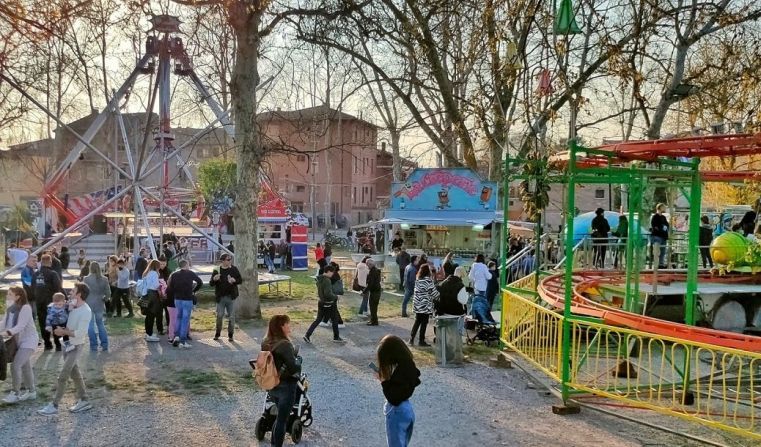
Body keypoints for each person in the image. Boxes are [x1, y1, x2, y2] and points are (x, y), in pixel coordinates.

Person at [38, 282, 94, 416]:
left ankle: (54, 405)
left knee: (63, 376)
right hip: (66, 344)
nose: (70, 293)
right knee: (75, 374)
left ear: (79, 294)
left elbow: (80, 333)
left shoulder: (86, 311)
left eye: (73, 291)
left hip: (76, 346)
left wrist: (63, 332)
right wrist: (57, 329)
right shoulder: (71, 306)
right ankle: (85, 400)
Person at [261, 315, 303, 447]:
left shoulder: (265, 342)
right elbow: (293, 367)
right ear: (281, 326)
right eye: (287, 324)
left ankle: (274, 443)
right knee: (281, 420)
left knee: (279, 417)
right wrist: (299, 361)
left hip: (272, 384)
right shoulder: (285, 344)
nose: (289, 326)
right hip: (286, 386)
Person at [376, 334, 420, 447]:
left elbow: (393, 398)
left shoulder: (400, 371)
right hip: (407, 410)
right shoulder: (409, 365)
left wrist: (384, 381)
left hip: (396, 411)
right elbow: (403, 386)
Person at [1, 286, 39, 404]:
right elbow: (3, 323)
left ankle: (15, 393)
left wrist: (7, 332)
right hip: (18, 342)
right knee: (25, 366)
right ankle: (31, 392)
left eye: (10, 294)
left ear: (18, 296)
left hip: (28, 341)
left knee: (15, 366)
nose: (7, 296)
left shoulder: (26, 308)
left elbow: (20, 326)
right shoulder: (10, 308)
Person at [166, 260, 203, 348]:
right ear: (186, 265)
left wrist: (176, 293)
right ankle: (183, 341)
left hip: (177, 299)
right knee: (185, 319)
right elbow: (200, 282)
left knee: (178, 317)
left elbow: (170, 286)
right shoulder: (190, 273)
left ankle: (176, 336)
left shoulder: (174, 274)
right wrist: (193, 290)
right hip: (187, 298)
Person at [303, 265, 345, 343]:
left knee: (318, 320)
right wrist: (336, 297)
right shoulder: (327, 280)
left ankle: (307, 335)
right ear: (328, 272)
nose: (332, 274)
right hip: (329, 303)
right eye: (332, 272)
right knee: (335, 319)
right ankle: (336, 337)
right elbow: (328, 294)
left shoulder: (319, 279)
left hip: (321, 302)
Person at [33, 254, 63, 351]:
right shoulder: (53, 274)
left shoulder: (35, 274)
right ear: (50, 262)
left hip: (39, 302)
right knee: (55, 323)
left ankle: (47, 344)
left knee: (42, 323)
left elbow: (32, 287)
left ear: (41, 262)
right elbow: (58, 288)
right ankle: (58, 344)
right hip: (51, 303)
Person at [210, 253, 243, 342]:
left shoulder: (234, 269)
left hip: (231, 297)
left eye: (230, 259)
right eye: (228, 260)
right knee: (220, 315)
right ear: (223, 261)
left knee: (231, 317)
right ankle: (217, 333)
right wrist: (214, 279)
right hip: (220, 297)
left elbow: (240, 280)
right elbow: (211, 284)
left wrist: (234, 280)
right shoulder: (217, 270)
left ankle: (230, 335)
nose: (230, 261)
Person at [83, 262, 111, 352]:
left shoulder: (86, 279)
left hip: (88, 303)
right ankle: (105, 344)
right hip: (99, 303)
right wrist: (105, 299)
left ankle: (94, 345)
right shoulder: (104, 279)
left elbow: (84, 292)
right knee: (100, 324)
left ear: (90, 268)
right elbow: (108, 293)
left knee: (90, 325)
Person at [410, 264, 438, 346]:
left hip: (417, 304)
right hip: (425, 305)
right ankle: (421, 340)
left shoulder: (418, 280)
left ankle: (411, 339)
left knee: (417, 321)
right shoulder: (428, 281)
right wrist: (440, 296)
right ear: (427, 271)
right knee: (424, 323)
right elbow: (434, 293)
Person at [142, 260, 163, 342]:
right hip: (153, 295)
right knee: (151, 315)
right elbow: (156, 285)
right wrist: (160, 285)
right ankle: (150, 334)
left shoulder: (147, 272)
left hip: (146, 294)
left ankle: (148, 333)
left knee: (148, 315)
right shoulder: (154, 273)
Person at [650, 203, 670, 269]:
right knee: (657, 251)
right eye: (663, 207)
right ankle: (656, 264)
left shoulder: (663, 217)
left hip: (663, 236)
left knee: (663, 251)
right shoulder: (655, 216)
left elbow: (667, 225)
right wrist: (661, 229)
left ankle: (661, 264)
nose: (664, 209)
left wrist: (665, 228)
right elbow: (654, 226)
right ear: (660, 208)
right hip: (657, 236)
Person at [366, 258, 382, 326]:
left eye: (367, 265)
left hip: (374, 291)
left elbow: (370, 284)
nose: (367, 266)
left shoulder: (372, 272)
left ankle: (374, 321)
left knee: (373, 307)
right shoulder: (376, 270)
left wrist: (364, 291)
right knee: (374, 307)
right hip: (377, 291)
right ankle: (373, 320)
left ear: (370, 264)